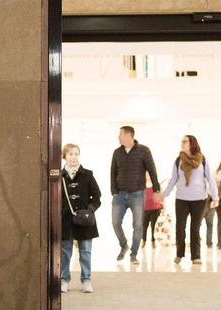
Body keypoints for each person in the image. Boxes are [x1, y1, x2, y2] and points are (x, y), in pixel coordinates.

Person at [160, 134, 218, 265]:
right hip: (181, 199)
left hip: (199, 199)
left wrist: (215, 197)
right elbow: (173, 180)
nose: (182, 143)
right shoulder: (178, 160)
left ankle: (196, 256)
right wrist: (164, 195)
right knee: (180, 227)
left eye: (184, 141)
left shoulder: (202, 160)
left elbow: (210, 179)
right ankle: (179, 254)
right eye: (182, 141)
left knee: (195, 228)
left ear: (192, 143)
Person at [109, 126, 160, 265]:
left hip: (137, 194)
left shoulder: (144, 150)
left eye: (120, 134)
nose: (118, 137)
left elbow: (152, 169)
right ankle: (124, 245)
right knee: (115, 223)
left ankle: (134, 254)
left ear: (128, 135)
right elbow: (113, 172)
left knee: (138, 225)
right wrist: (113, 190)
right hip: (119, 195)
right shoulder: (117, 152)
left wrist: (156, 189)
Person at [60, 143, 101, 293]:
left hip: (85, 220)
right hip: (65, 220)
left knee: (85, 251)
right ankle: (64, 280)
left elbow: (97, 197)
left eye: (76, 154)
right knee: (65, 252)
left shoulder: (87, 174)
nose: (73, 157)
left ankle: (86, 280)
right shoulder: (58, 176)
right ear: (65, 156)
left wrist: (89, 211)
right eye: (70, 154)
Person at [143, 173, 164, 247]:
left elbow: (161, 196)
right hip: (144, 210)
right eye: (146, 174)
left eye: (149, 173)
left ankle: (153, 242)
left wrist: (164, 206)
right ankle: (144, 241)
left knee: (154, 227)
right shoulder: (141, 184)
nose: (147, 175)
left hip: (155, 209)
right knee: (144, 227)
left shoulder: (157, 184)